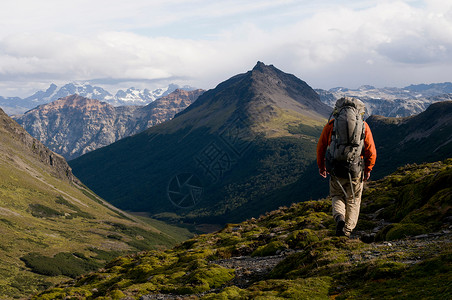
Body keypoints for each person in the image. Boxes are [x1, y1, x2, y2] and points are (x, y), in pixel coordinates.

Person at [317, 97, 377, 237]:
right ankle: (347, 231)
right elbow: (371, 151)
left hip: (336, 168)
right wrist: (368, 169)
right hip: (356, 170)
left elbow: (321, 148)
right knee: (353, 199)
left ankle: (340, 218)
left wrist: (322, 166)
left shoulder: (331, 125)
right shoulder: (363, 126)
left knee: (337, 195)